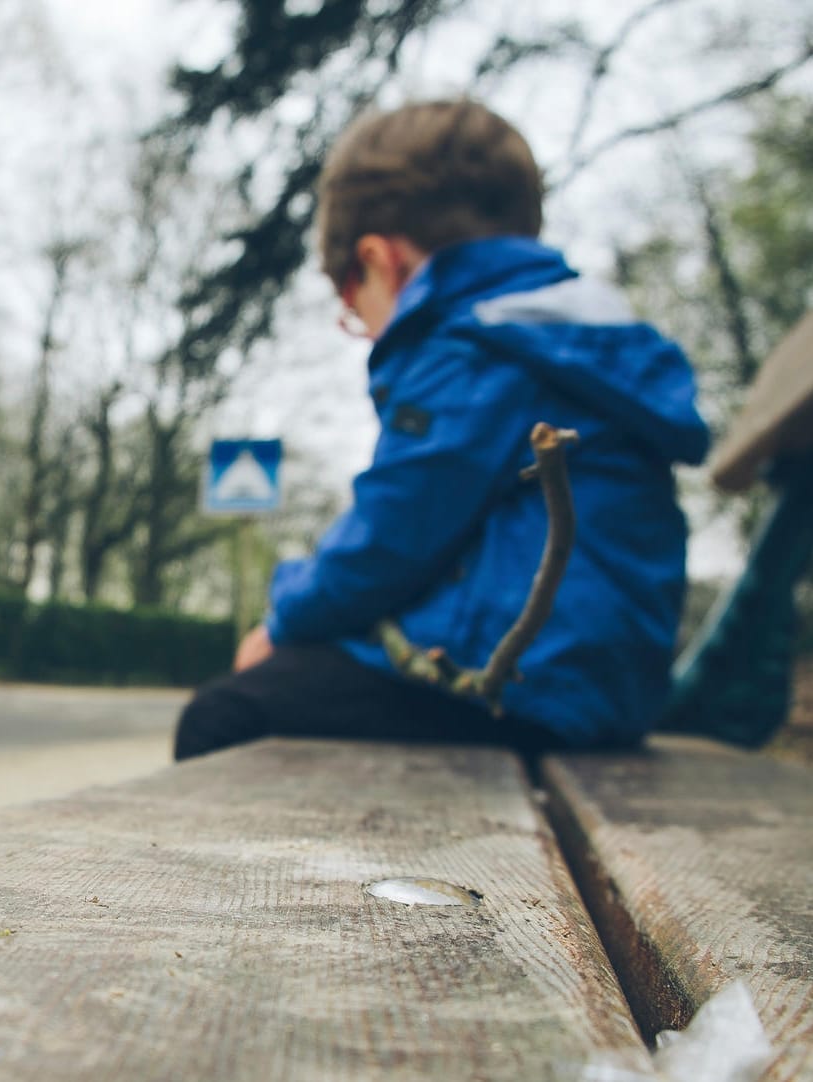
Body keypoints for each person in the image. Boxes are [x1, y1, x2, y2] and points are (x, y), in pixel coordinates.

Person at [174, 99, 710, 761]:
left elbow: (390, 540)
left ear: (379, 260)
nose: (365, 330)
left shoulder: (471, 349)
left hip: (512, 689)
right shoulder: (575, 339)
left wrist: (279, 620)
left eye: (353, 307)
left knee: (225, 715)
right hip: (600, 691)